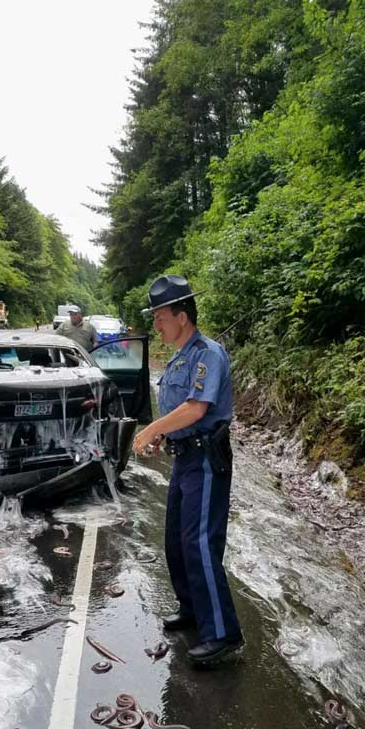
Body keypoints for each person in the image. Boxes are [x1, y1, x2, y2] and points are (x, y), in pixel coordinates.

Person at [133, 274, 244, 666]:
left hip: (207, 459)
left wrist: (149, 429)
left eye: (160, 317)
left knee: (200, 542)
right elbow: (179, 412)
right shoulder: (179, 357)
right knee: (177, 542)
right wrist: (164, 435)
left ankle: (223, 633)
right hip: (184, 457)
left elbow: (197, 409)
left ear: (181, 316)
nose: (156, 324)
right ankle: (193, 609)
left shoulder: (207, 354)